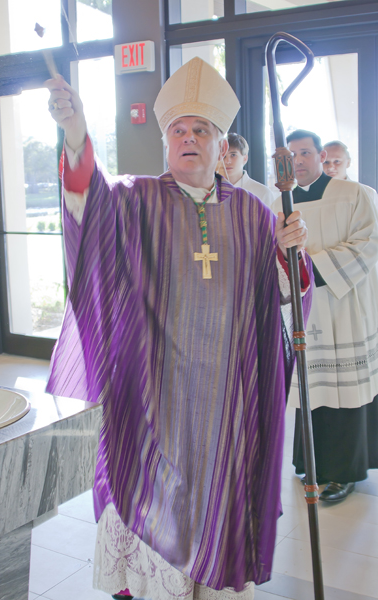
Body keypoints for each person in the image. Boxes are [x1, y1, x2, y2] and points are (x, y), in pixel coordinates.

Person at [45, 58, 312, 600]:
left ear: (222, 146)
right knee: (152, 509)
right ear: (166, 140)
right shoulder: (134, 199)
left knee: (219, 512)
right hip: (152, 400)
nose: (189, 139)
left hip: (227, 406)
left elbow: (282, 301)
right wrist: (75, 133)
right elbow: (86, 208)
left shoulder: (255, 214)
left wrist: (291, 258)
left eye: (202, 131)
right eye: (179, 130)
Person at [272, 128, 378, 503]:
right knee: (311, 390)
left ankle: (343, 472)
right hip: (306, 313)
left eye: (305, 153)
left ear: (321, 156)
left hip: (343, 305)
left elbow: (369, 243)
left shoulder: (355, 195)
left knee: (343, 390)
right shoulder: (278, 203)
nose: (297, 162)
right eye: (291, 157)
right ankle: (310, 464)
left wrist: (312, 269)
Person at [219, 132, 276, 207]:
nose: (227, 161)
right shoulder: (209, 191)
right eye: (223, 156)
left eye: (233, 155)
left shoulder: (262, 193)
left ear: (245, 158)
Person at [323, 140, 378, 207]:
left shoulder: (367, 193)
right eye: (326, 162)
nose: (330, 167)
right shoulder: (312, 195)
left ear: (348, 163)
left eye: (337, 161)